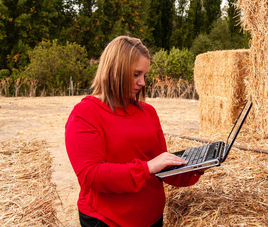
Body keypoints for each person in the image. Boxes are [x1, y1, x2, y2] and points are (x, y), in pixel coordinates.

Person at [65, 36, 204, 227]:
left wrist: (194, 166)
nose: (142, 83)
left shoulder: (148, 112)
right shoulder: (85, 114)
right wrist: (147, 168)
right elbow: (91, 175)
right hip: (108, 221)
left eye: (144, 75)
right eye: (136, 74)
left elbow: (159, 166)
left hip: (152, 218)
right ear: (115, 70)